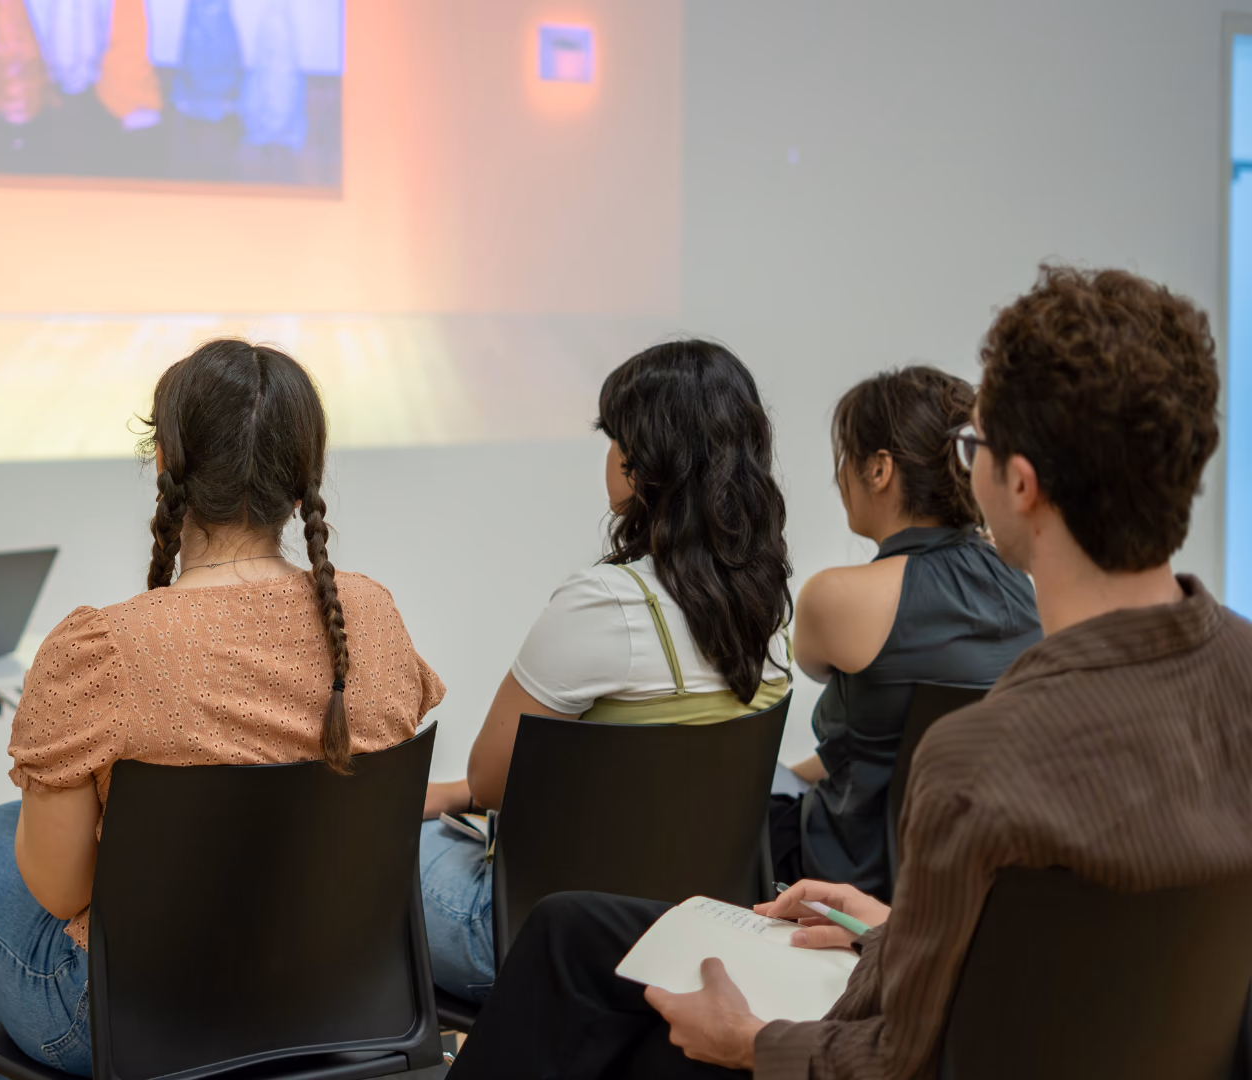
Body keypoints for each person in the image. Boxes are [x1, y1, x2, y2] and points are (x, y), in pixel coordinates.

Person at [444, 265, 1252, 1079]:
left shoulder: (984, 757)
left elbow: (898, 1058)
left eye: (976, 448)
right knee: (569, 929)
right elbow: (1071, 965)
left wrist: (750, 1041)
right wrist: (893, 930)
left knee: (600, 988)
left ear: (1022, 484)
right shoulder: (1239, 675)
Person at [0, 340, 446, 1080]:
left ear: (168, 463)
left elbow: (63, 890)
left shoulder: (101, 647)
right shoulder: (370, 617)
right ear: (304, 478)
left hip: (138, 1023)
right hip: (341, 999)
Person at [416, 339, 794, 1004]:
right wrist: (455, 794)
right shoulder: (771, 610)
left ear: (642, 461)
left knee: (367, 852)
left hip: (547, 946)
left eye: (614, 437)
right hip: (705, 936)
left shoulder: (606, 603)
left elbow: (491, 779)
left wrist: (452, 794)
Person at [775, 366, 1040, 895]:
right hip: (963, 879)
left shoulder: (835, 598)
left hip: (845, 873)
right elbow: (895, 744)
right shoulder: (1022, 587)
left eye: (844, 459)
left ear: (879, 469)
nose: (838, 479)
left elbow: (813, 667)